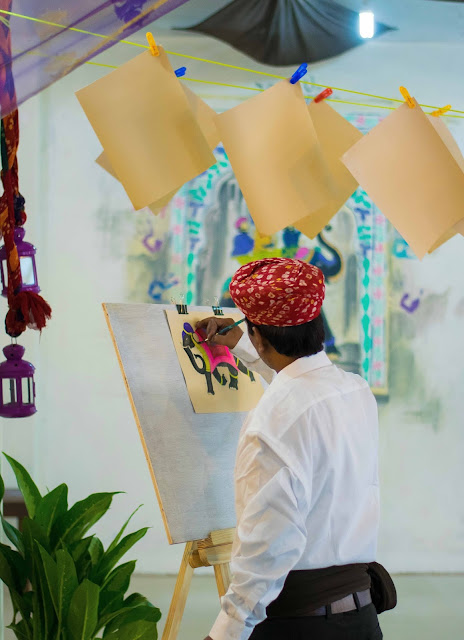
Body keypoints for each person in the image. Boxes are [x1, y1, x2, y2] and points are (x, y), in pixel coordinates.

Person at [197, 257, 382, 640]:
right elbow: (300, 377)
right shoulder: (356, 391)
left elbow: (268, 546)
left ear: (259, 336)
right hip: (362, 620)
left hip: (300, 626)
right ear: (315, 321)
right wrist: (246, 343)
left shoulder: (272, 420)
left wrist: (225, 631)